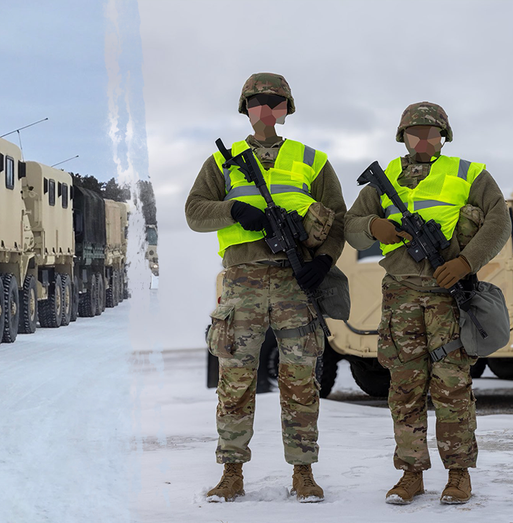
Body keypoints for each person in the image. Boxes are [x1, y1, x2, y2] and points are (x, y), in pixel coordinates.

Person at [186, 72, 346, 503]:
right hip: (243, 280)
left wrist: (325, 262)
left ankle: (303, 473)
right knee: (235, 379)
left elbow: (338, 219)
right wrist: (236, 209)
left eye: (275, 102)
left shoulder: (311, 159)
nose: (266, 110)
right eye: (258, 102)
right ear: (247, 109)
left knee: (301, 381)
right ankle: (232, 472)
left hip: (297, 281)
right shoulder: (223, 160)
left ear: (285, 110)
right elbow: (195, 212)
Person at [345, 102, 510, 505]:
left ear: (443, 137)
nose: (423, 139)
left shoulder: (469, 174)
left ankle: (458, 476)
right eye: (414, 132)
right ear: (403, 136)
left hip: (448, 296)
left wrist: (465, 262)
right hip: (401, 295)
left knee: (452, 386)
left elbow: (498, 220)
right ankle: (411, 475)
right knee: (404, 388)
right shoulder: (382, 183)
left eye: (431, 133)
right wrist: (374, 226)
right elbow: (350, 228)